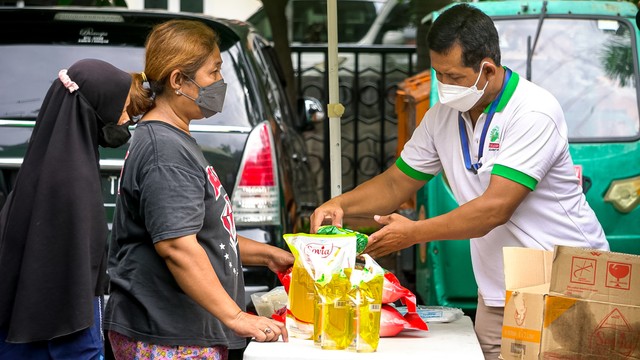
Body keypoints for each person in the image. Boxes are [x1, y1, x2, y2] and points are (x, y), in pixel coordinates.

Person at [310, 4, 609, 360]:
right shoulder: (442, 118)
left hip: (565, 283)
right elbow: (394, 185)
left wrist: (414, 232)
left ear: (487, 69)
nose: (444, 86)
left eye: (454, 77)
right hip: (500, 291)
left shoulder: (533, 111)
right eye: (438, 74)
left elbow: (494, 209)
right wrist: (339, 205)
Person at [104, 19, 292, 360]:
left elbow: (207, 233)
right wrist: (236, 317)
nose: (220, 83)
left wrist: (270, 255)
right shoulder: (165, 152)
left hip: (180, 331)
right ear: (178, 80)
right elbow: (177, 246)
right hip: (168, 335)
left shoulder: (173, 139)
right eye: (214, 72)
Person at [0, 59, 132, 359]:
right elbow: (73, 280)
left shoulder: (45, 162)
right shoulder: (74, 178)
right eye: (121, 106)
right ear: (98, 106)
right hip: (64, 337)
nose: (125, 118)